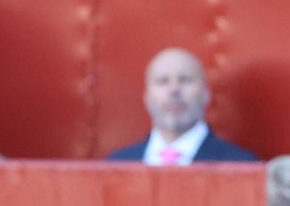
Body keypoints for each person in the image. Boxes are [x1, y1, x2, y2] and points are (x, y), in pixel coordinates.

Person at [106, 47, 257, 164]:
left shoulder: (240, 166)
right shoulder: (115, 165)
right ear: (147, 97)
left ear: (206, 94)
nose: (174, 90)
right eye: (162, 81)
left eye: (185, 80)